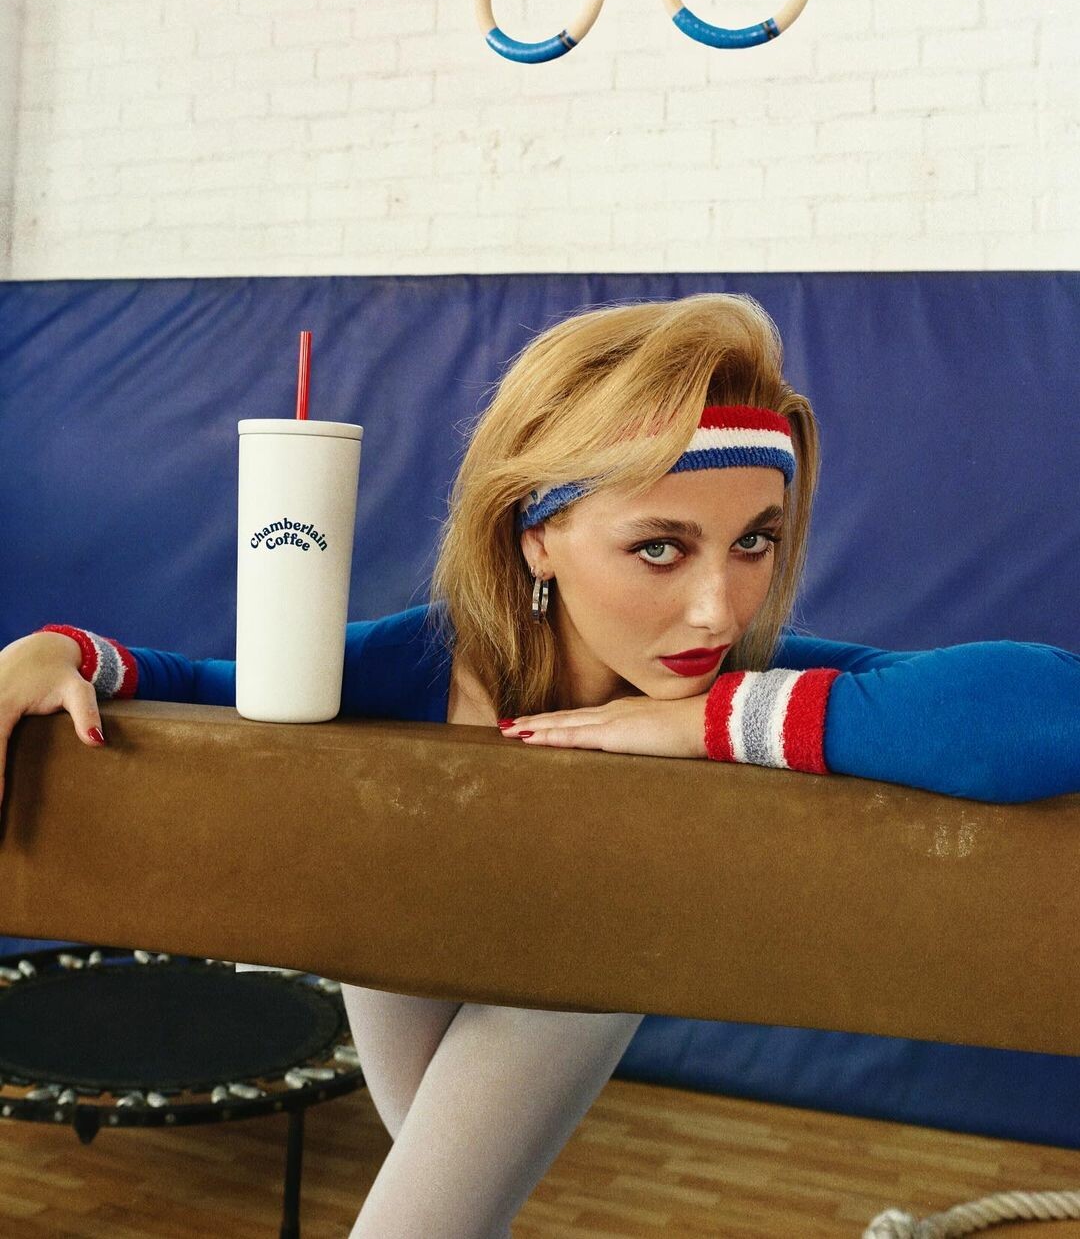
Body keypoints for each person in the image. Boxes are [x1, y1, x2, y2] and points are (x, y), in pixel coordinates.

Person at [1, 292, 1078, 1238]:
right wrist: (64, 651)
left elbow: (1049, 709)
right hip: (398, 931)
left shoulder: (744, 681)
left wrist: (715, 721)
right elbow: (205, 684)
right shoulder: (420, 663)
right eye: (660, 547)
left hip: (592, 941)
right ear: (535, 535)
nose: (719, 609)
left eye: (754, 541)